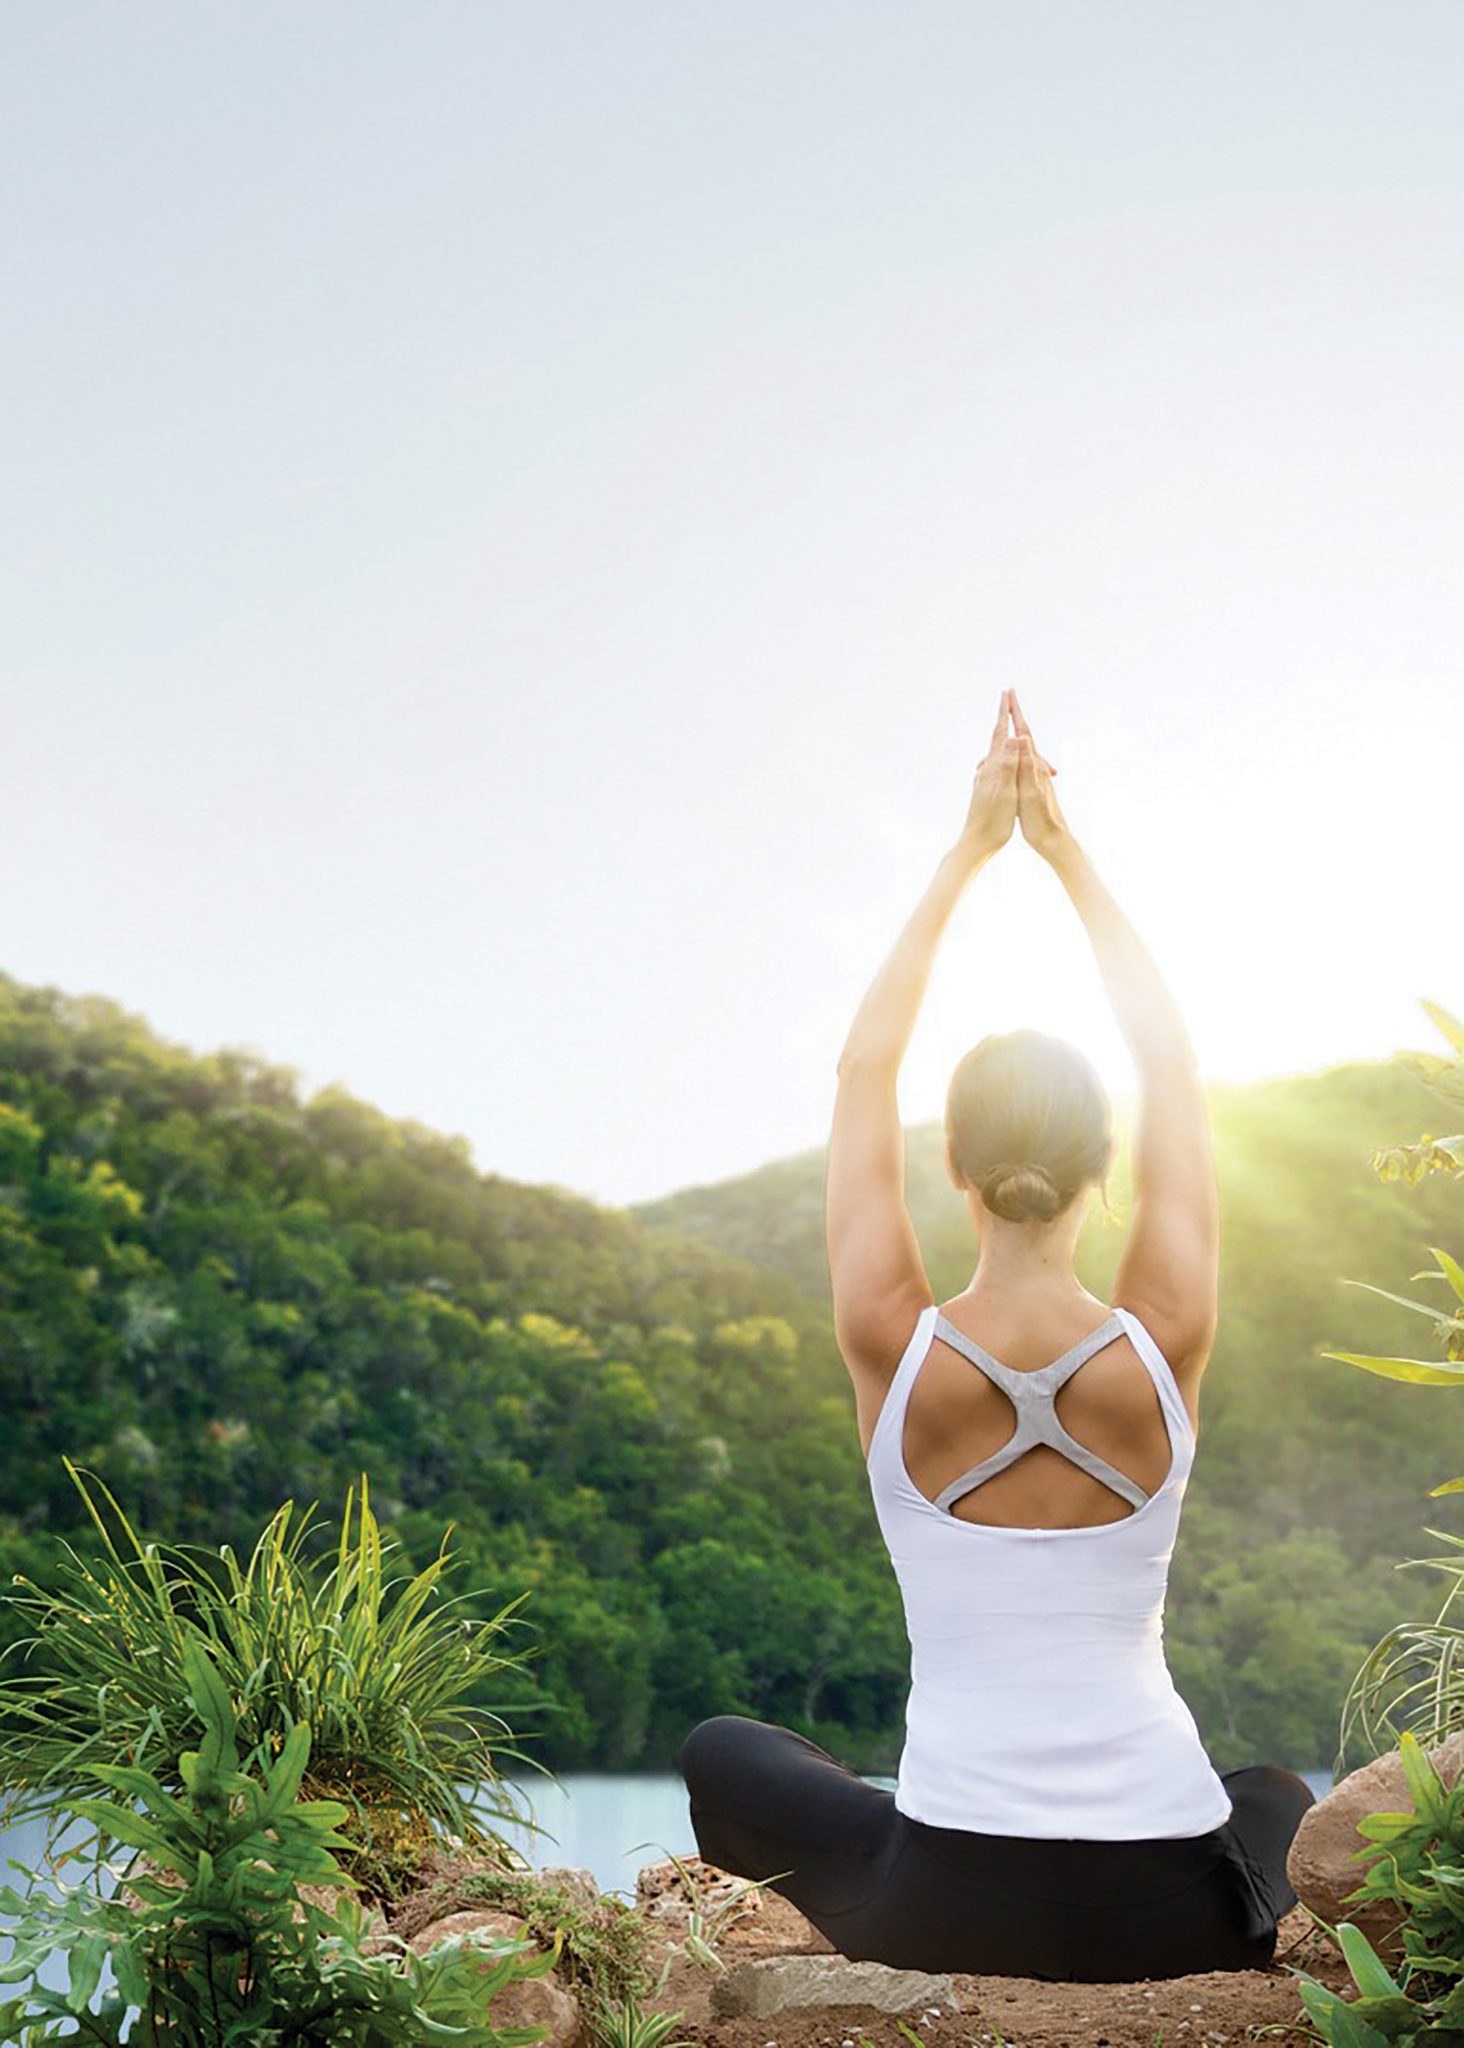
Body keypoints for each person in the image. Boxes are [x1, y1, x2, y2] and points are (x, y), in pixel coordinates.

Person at [676, 689, 1314, 1982]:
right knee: (1272, 1793)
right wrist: (1066, 852)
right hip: (1168, 1907)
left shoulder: (890, 1340)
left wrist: (969, 850)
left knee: (726, 1754)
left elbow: (863, 1071)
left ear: (954, 1171)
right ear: (1100, 1174)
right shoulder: (1165, 1337)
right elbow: (1173, 1068)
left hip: (948, 1899)